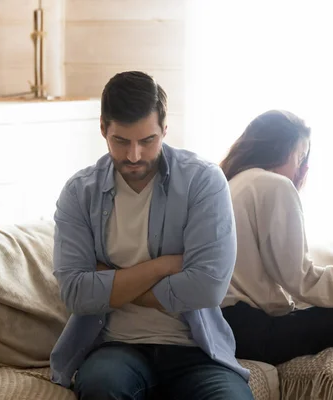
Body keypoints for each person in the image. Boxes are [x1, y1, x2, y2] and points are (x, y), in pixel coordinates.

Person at [49, 71, 253, 400]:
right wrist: (161, 267)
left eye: (147, 141)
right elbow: (74, 293)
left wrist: (112, 281)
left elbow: (208, 287)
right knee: (101, 388)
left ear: (165, 129)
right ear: (103, 128)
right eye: (121, 141)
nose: (134, 156)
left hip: (195, 349)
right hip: (116, 347)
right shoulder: (79, 193)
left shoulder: (203, 182)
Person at [219, 110, 333, 366]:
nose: (302, 168)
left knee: (332, 305)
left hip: (221, 323)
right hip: (250, 332)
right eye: (300, 157)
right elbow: (301, 279)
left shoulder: (231, 183)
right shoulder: (274, 184)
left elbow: (282, 278)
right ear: (282, 150)